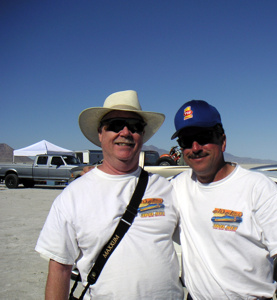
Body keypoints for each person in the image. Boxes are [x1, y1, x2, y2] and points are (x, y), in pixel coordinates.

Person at [35, 90, 183, 299]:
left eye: (134, 127)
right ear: (100, 133)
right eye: (115, 125)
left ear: (142, 135)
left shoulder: (166, 188)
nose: (125, 132)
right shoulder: (73, 197)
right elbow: (59, 269)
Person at [170, 100, 277, 300]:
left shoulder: (256, 187)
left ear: (223, 141)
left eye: (203, 137)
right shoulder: (177, 186)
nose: (195, 147)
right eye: (186, 141)